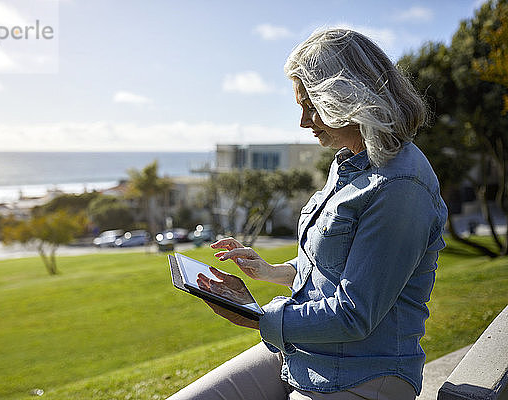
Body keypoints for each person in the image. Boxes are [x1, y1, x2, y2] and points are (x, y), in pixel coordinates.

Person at [167, 28, 447, 400]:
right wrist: (266, 271)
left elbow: (354, 314)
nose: (303, 121)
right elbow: (330, 268)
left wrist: (255, 317)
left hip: (364, 375)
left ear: (348, 97)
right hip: (303, 353)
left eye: (311, 106)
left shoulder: (400, 187)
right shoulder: (350, 163)